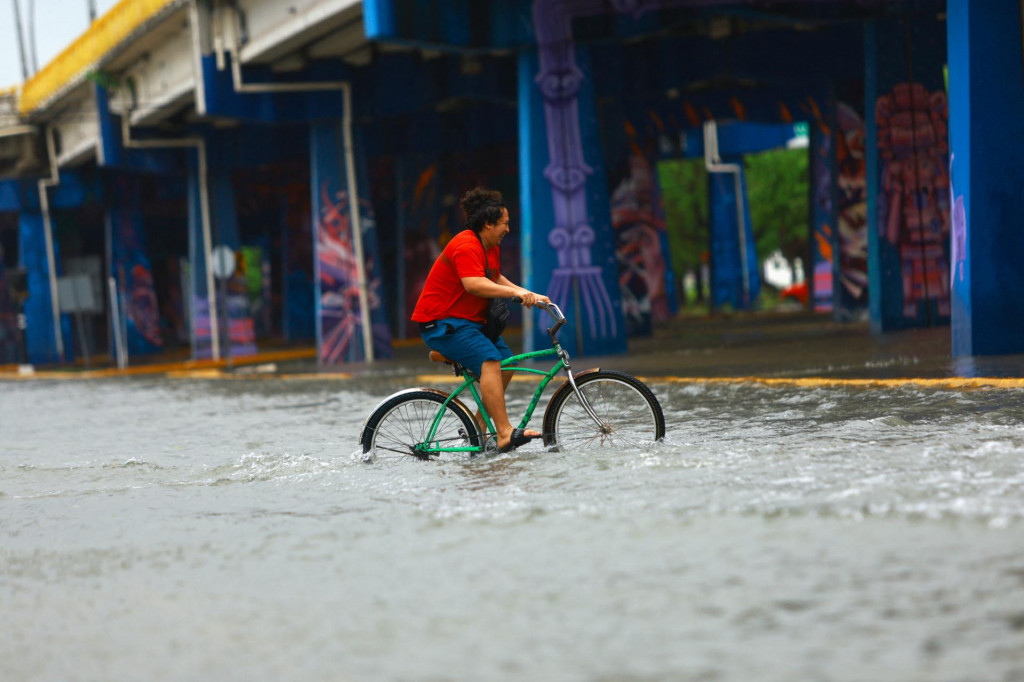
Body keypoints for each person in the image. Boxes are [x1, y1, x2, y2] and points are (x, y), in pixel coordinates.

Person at [412, 188, 550, 453]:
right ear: (488, 223)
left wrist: (529, 293)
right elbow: (474, 284)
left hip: (467, 324)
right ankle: (504, 432)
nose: (508, 229)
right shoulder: (466, 244)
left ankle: (477, 427)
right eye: (505, 223)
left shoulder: (489, 247)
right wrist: (515, 293)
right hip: (443, 324)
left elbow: (495, 278)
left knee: (507, 364)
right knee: (490, 360)